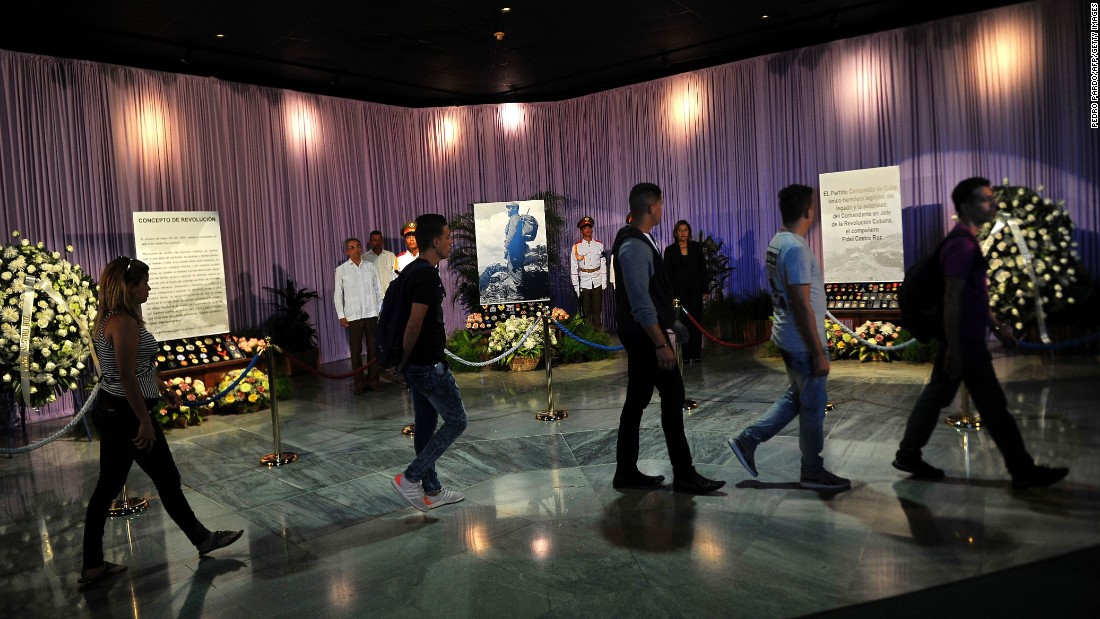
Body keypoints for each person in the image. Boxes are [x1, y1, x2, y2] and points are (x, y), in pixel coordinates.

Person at [893, 177, 1069, 488]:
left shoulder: (967, 241)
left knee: (940, 397)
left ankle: (908, 454)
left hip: (964, 339)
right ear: (965, 206)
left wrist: (998, 328)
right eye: (985, 199)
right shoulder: (961, 244)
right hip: (965, 342)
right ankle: (1022, 470)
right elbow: (952, 297)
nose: (993, 204)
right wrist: (957, 350)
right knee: (992, 406)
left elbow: (975, 297)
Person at [80, 257, 242, 588]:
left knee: (106, 488)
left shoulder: (111, 318)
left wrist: (159, 386)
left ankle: (92, 565)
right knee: (167, 479)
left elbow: (136, 367)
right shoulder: (123, 322)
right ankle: (202, 539)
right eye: (144, 283)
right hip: (125, 414)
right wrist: (144, 420)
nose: (149, 288)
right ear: (128, 287)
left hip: (113, 412)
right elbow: (125, 377)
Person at [727, 184, 850, 490]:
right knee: (812, 405)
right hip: (801, 341)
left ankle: (747, 440)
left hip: (788, 336)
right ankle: (812, 470)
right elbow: (800, 302)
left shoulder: (778, 241)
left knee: (797, 397)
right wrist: (818, 351)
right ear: (808, 211)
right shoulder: (795, 249)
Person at [611, 182, 725, 494]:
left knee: (636, 401)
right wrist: (661, 343)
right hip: (646, 339)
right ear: (651, 208)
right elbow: (640, 301)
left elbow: (653, 293)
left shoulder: (640, 239)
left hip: (644, 335)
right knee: (673, 396)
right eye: (660, 205)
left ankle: (625, 472)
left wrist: (674, 322)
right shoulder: (634, 245)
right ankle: (685, 475)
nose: (662, 209)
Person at [390, 214, 467, 511]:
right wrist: (404, 362)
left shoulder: (414, 271)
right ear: (435, 241)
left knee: (425, 425)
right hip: (426, 366)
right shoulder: (424, 275)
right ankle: (410, 478)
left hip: (417, 365)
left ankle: (431, 489)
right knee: (457, 421)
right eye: (448, 237)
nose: (450, 242)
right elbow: (413, 325)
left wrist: (404, 364)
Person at [335, 237, 383, 393]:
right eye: (352, 247)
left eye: (357, 246)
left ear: (361, 248)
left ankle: (374, 380)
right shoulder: (341, 270)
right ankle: (359, 383)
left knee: (373, 349)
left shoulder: (370, 267)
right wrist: (341, 315)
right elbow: (337, 295)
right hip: (353, 316)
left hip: (371, 313)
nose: (355, 249)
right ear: (347, 251)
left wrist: (379, 310)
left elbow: (378, 290)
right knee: (355, 352)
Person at [663, 220, 711, 363]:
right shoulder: (670, 250)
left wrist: (705, 290)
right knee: (681, 324)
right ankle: (685, 355)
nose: (683, 233)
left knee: (696, 322)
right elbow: (667, 275)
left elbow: (703, 269)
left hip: (695, 292)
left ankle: (696, 354)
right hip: (678, 294)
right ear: (676, 233)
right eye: (680, 230)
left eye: (685, 230)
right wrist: (670, 295)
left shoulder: (696, 247)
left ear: (689, 232)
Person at [570, 216, 607, 330]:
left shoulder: (599, 245)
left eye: (589, 227)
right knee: (586, 311)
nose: (587, 229)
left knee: (597, 310)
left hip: (597, 280)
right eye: (585, 227)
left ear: (592, 229)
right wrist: (576, 285)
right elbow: (574, 267)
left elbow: (603, 263)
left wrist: (604, 281)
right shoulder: (576, 247)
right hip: (584, 281)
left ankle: (598, 336)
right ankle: (588, 336)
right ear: (581, 231)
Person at [503, 202, 537, 285]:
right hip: (518, 246)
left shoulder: (514, 218)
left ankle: (519, 288)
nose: (508, 210)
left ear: (515, 209)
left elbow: (512, 233)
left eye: (510, 208)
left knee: (516, 266)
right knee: (515, 265)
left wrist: (506, 246)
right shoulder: (518, 218)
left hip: (515, 247)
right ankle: (519, 284)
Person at [364, 229, 397, 297]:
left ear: (382, 241)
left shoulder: (391, 256)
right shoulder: (364, 258)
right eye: (375, 240)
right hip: (373, 297)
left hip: (390, 295)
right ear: (370, 242)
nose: (378, 242)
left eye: (380, 240)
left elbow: (395, 276)